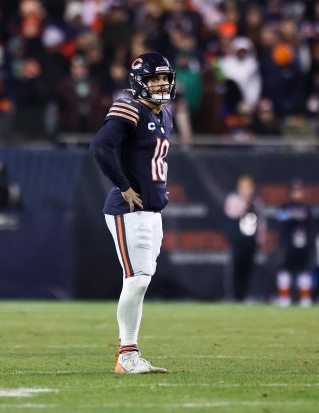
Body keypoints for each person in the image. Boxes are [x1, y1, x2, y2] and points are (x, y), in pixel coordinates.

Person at [89, 52, 175, 374]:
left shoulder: (165, 115)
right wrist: (123, 186)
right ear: (140, 82)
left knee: (142, 278)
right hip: (128, 209)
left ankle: (130, 355)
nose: (161, 84)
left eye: (164, 78)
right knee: (136, 279)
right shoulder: (130, 108)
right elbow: (100, 146)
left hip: (152, 211)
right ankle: (127, 356)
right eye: (154, 79)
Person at [224, 175, 266, 302]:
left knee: (248, 270)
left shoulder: (257, 202)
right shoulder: (233, 200)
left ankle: (245, 296)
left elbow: (261, 222)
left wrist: (260, 239)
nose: (246, 190)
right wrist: (245, 203)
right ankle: (235, 297)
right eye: (243, 187)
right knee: (236, 270)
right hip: (238, 242)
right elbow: (231, 216)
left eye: (248, 187)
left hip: (251, 242)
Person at [274, 179, 315, 307]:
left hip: (303, 246)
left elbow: (311, 226)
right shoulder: (285, 207)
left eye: (299, 191)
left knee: (304, 271)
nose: (297, 194)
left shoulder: (307, 207)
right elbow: (281, 220)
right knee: (285, 271)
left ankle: (305, 298)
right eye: (295, 191)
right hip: (289, 246)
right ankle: (284, 297)